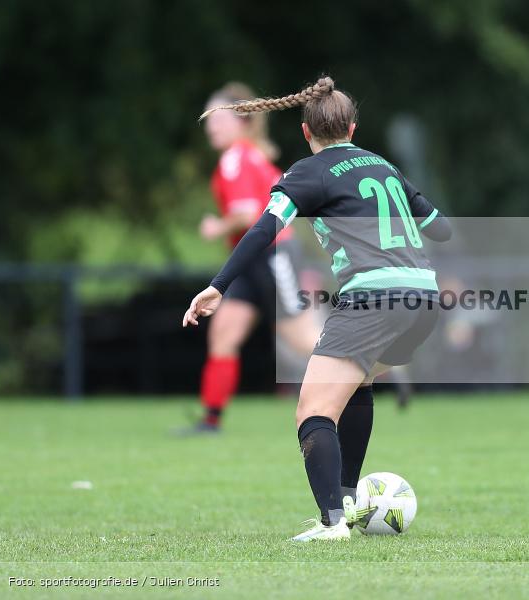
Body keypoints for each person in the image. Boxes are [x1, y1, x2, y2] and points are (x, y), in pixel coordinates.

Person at [182, 77, 451, 541]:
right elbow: (441, 230)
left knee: (312, 410)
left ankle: (332, 523)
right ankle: (346, 503)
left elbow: (263, 231)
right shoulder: (385, 166)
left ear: (306, 133)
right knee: (357, 382)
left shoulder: (307, 172)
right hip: (424, 301)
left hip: (373, 300)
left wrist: (217, 286)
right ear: (352, 127)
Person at [184, 82, 322, 434]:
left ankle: (375, 372)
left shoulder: (237, 158)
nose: (211, 126)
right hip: (250, 260)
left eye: (219, 117)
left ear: (242, 121)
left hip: (272, 255)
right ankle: (210, 421)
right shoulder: (249, 156)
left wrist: (217, 227)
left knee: (303, 340)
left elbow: (248, 215)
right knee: (223, 335)